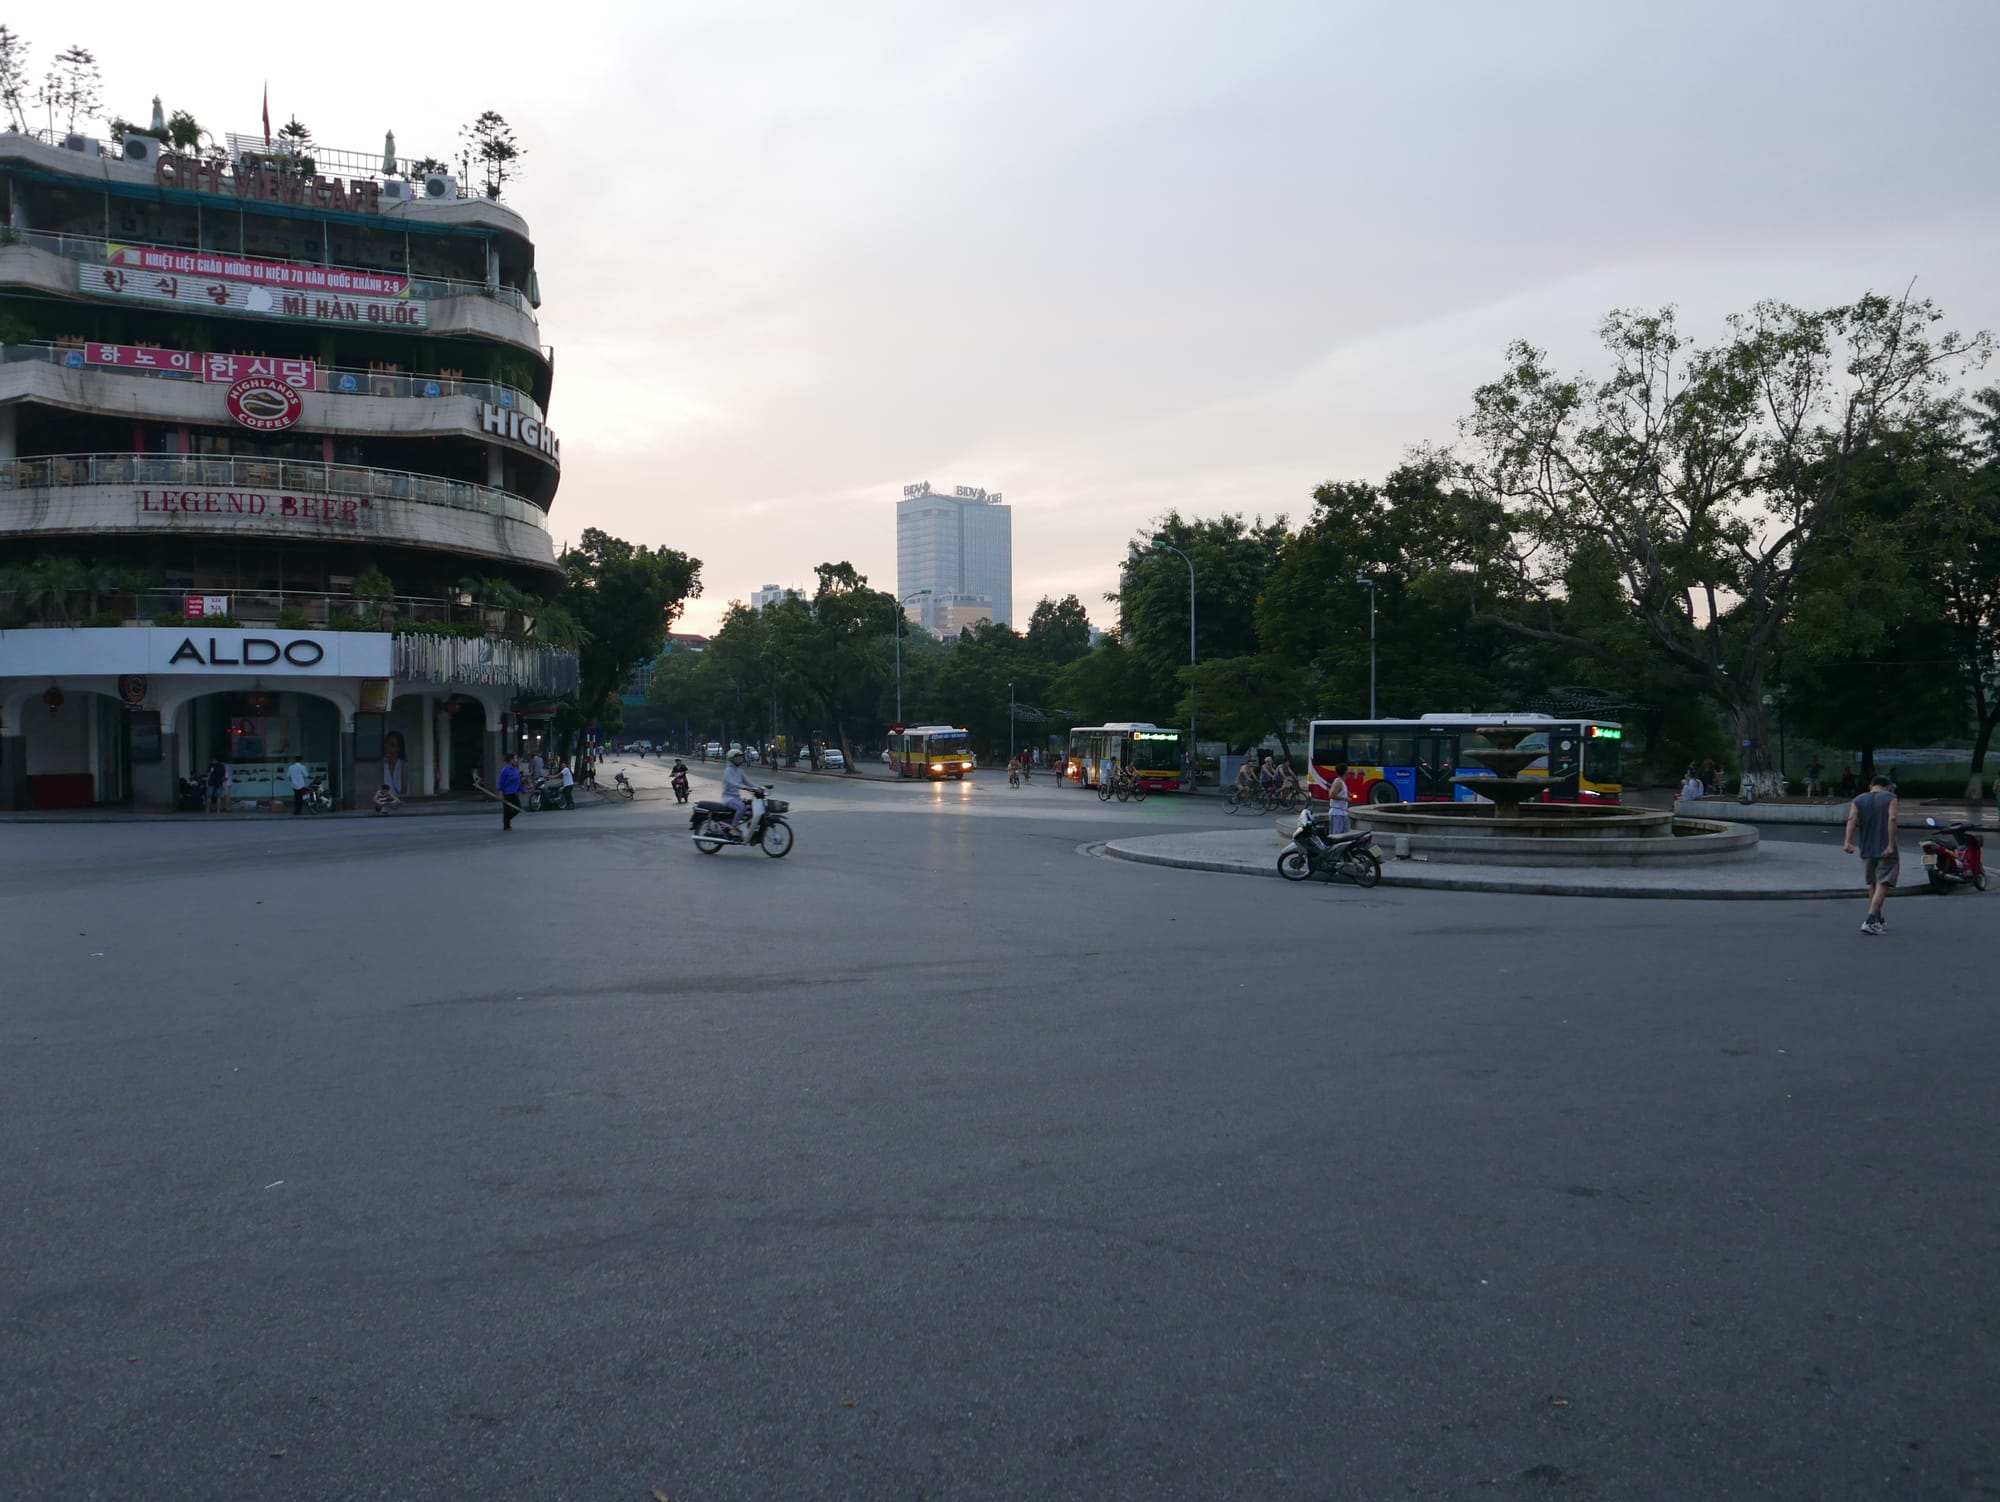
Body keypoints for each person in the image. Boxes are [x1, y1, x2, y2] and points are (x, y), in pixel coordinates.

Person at [1843, 774, 1899, 935]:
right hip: (1885, 847)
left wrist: (1847, 841)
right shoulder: (1890, 797)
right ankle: (1870, 919)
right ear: (1887, 786)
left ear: (1871, 786)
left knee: (1873, 883)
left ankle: (1878, 918)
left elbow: (1851, 818)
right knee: (1883, 882)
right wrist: (1889, 844)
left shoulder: (1858, 799)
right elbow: (1892, 819)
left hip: (1866, 847)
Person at [721, 748, 762, 836]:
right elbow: (734, 783)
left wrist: (759, 787)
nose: (740, 759)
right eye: (737, 757)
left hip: (736, 798)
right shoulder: (728, 771)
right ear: (731, 759)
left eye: (740, 757)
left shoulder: (740, 771)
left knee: (750, 808)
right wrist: (746, 788)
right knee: (741, 807)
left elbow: (748, 782)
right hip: (728, 798)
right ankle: (733, 828)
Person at [497, 753, 523, 831]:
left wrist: (523, 789)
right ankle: (506, 826)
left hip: (514, 793)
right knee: (507, 810)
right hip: (507, 794)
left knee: (518, 808)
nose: (516, 760)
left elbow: (518, 781)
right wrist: (500, 793)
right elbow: (500, 783)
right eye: (515, 758)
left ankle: (507, 820)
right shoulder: (505, 770)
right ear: (510, 760)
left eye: (517, 758)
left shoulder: (516, 770)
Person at [1326, 762, 1353, 834]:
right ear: (1345, 772)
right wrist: (1346, 799)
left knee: (1346, 835)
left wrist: (1347, 794)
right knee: (1336, 836)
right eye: (1348, 770)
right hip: (1337, 814)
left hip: (1343, 813)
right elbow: (1331, 795)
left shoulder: (1342, 782)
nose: (1349, 772)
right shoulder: (1338, 782)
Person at [382, 730, 407, 798]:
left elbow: (404, 791)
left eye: (392, 745)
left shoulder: (402, 765)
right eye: (387, 743)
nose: (388, 747)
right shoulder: (381, 764)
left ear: (398, 749)